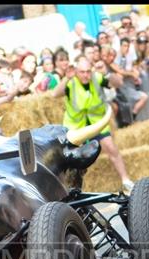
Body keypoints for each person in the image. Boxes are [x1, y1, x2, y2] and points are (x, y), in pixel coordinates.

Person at [53, 57, 133, 193]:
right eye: (82, 72)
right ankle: (72, 190)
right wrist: (66, 78)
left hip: (97, 123)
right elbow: (55, 94)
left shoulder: (98, 77)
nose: (86, 75)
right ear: (77, 71)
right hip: (76, 127)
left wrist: (107, 73)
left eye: (88, 71)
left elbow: (118, 83)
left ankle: (126, 181)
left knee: (111, 147)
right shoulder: (70, 82)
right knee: (73, 159)